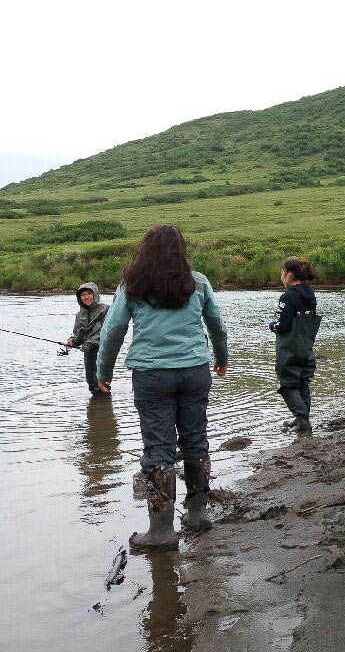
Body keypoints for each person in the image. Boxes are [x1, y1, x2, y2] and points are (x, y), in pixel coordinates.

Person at [97, 224, 228, 550]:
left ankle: (161, 530)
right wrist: (221, 358)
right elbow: (217, 325)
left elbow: (113, 331)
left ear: (145, 251)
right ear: (181, 251)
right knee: (196, 439)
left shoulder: (132, 286)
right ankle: (197, 514)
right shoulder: (198, 282)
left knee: (158, 448)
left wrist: (103, 370)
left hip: (152, 375)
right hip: (196, 370)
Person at [271, 257, 322, 433]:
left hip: (290, 349)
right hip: (306, 347)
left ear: (290, 274)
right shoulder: (310, 293)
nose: (281, 275)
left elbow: (281, 325)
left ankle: (302, 421)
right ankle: (303, 418)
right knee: (302, 383)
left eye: (282, 272)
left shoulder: (287, 296)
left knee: (288, 385)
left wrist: (272, 325)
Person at [66, 282, 110, 395]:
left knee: (100, 381)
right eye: (83, 295)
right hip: (88, 352)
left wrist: (89, 344)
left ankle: (102, 407)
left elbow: (106, 332)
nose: (86, 297)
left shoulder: (105, 309)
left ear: (95, 294)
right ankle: (100, 408)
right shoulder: (79, 315)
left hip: (103, 350)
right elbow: (78, 335)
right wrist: (72, 341)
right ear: (79, 297)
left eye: (89, 293)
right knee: (91, 381)